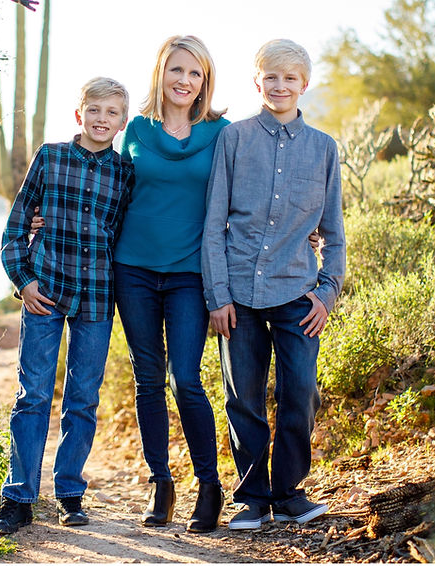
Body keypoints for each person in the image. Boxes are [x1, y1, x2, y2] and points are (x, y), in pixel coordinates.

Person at [201, 39, 346, 530]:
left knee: (300, 392)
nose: (280, 86)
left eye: (290, 78)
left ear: (304, 84)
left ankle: (288, 493)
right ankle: (253, 499)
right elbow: (213, 223)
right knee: (243, 396)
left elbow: (334, 236)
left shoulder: (324, 149)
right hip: (238, 295)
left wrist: (326, 293)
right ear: (257, 81)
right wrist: (217, 296)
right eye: (271, 77)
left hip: (297, 296)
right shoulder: (234, 139)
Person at [0, 77, 135, 535]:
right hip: (45, 292)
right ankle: (19, 499)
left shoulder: (125, 173)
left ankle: (70, 492)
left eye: (111, 113)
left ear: (122, 122)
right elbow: (15, 228)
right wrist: (24, 281)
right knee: (32, 394)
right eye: (94, 110)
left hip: (95, 295)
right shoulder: (50, 158)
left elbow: (127, 233)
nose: (101, 119)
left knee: (83, 398)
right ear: (79, 114)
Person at [112, 35, 229, 533]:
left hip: (189, 273)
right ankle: (161, 482)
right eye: (176, 70)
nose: (184, 81)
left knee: (187, 379)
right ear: (161, 73)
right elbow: (113, 192)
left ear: (205, 81)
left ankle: (210, 485)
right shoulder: (135, 129)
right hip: (132, 269)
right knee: (147, 380)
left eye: (195, 73)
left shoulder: (221, 133)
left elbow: (240, 197)